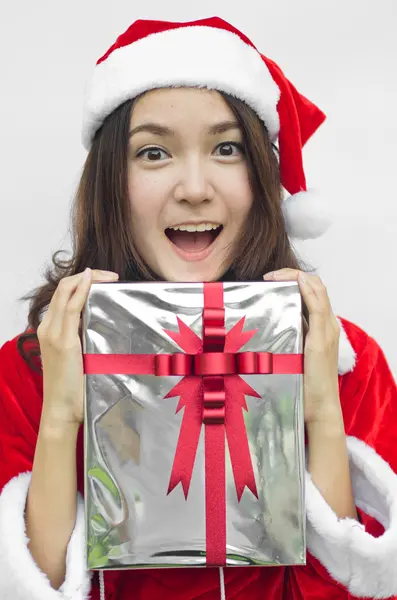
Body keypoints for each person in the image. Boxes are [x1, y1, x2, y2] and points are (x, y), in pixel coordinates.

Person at [0, 15, 396, 600]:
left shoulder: (343, 358)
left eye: (227, 148)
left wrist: (319, 413)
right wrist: (61, 418)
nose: (193, 186)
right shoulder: (30, 366)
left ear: (262, 177)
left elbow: (355, 590)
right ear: (113, 182)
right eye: (154, 152)